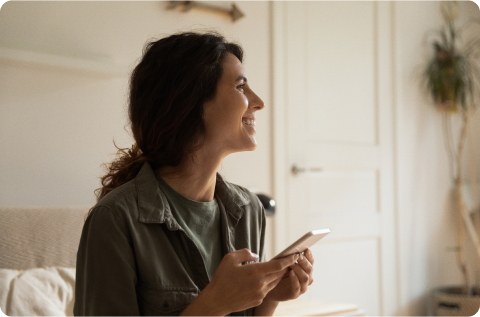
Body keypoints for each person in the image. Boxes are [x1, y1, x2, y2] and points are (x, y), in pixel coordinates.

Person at [74, 31, 315, 317]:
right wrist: (214, 304)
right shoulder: (114, 220)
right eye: (240, 87)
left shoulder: (249, 210)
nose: (258, 102)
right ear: (190, 101)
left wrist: (270, 298)